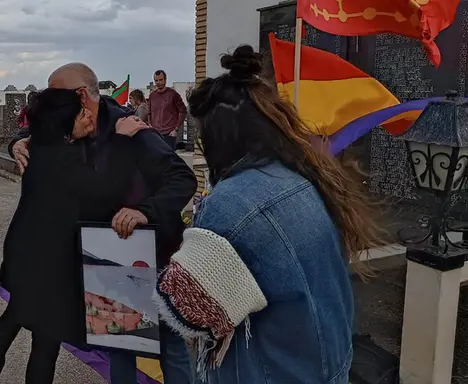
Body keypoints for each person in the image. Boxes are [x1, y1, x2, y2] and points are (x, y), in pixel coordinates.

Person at [155, 46, 386, 383]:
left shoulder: (231, 202)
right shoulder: (304, 177)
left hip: (268, 370)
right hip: (324, 364)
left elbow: (187, 311)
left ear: (219, 136)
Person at [6, 63, 197, 384]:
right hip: (103, 257)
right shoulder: (73, 124)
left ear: (80, 96)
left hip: (150, 254)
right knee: (120, 346)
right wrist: (18, 140)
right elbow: (41, 127)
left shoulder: (132, 129)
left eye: (56, 96)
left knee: (170, 347)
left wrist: (144, 212)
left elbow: (182, 178)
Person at [0, 88, 149, 384]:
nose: (89, 115)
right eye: (81, 113)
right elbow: (109, 192)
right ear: (64, 124)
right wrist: (123, 141)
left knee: (17, 314)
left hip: (28, 254)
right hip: (52, 264)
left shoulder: (44, 150)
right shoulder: (65, 162)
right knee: (46, 339)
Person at [147, 70, 187, 150]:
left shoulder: (173, 94)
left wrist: (176, 129)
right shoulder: (152, 96)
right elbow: (149, 112)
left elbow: (183, 111)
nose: (158, 82)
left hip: (169, 134)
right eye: (156, 80)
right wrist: (150, 125)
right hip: (156, 133)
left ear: (165, 80)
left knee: (168, 160)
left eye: (160, 80)